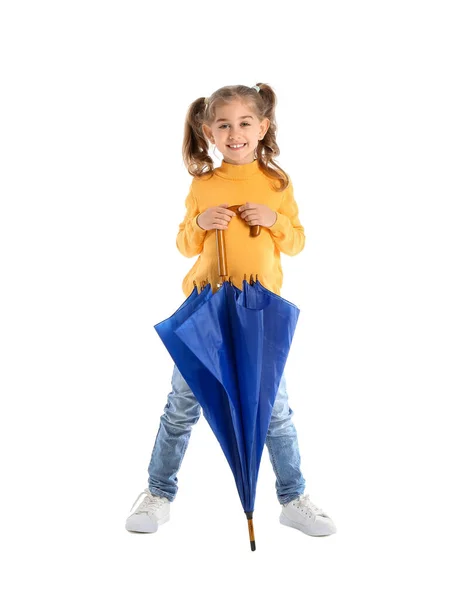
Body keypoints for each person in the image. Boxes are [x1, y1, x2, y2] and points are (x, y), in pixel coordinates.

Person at [126, 83, 336, 539]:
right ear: (209, 132)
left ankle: (293, 496)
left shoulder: (277, 184)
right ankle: (158, 493)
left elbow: (297, 242)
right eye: (224, 125)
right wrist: (200, 225)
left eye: (245, 123)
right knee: (182, 403)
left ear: (262, 128)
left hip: (258, 313)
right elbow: (184, 244)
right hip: (207, 312)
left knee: (273, 408)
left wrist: (274, 220)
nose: (235, 132)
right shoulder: (203, 184)